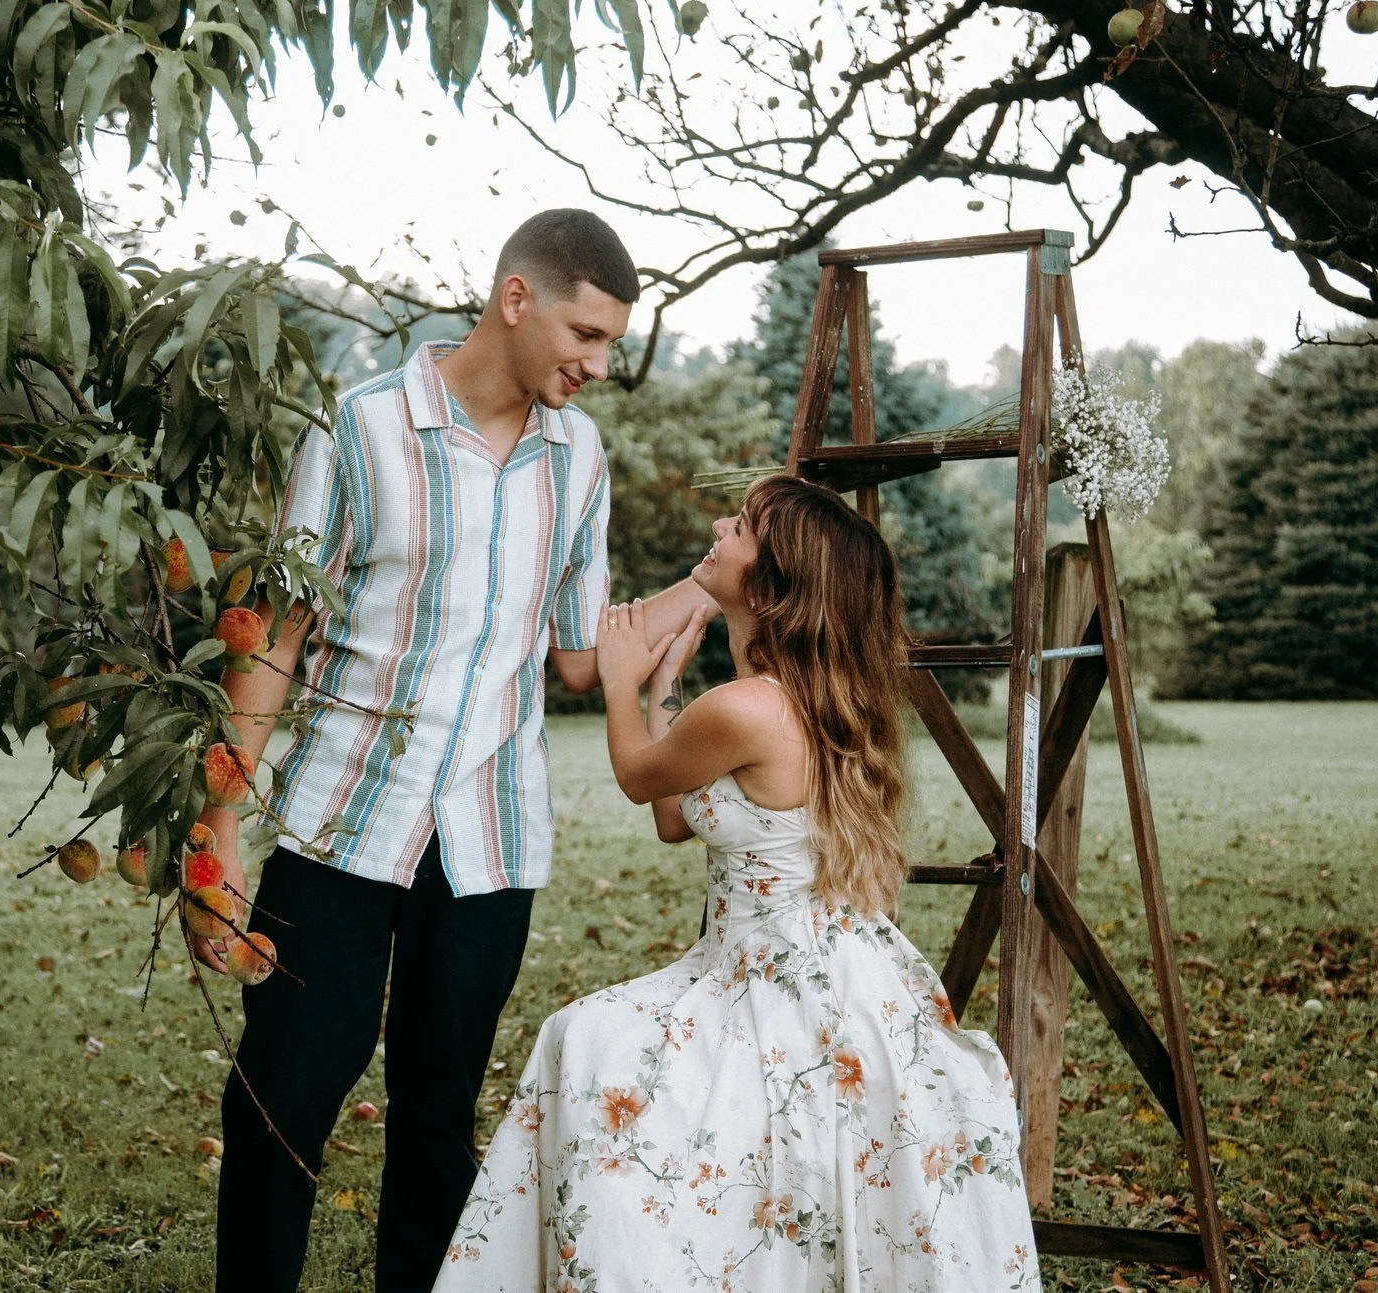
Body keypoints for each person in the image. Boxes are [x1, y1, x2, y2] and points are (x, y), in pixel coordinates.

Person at [194, 209, 718, 1293]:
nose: (597, 365)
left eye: (611, 344)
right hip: (340, 825)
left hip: (489, 841)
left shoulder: (578, 457)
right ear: (513, 300)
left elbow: (579, 658)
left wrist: (708, 587)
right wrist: (219, 825)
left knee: (436, 1124)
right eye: (586, 335)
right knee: (278, 1103)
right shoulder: (358, 427)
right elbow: (277, 631)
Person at [436, 475, 1042, 1292]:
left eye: (744, 525)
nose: (721, 525)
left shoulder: (751, 708)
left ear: (767, 582)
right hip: (769, 961)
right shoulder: (787, 700)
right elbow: (678, 818)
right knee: (593, 1046)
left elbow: (637, 779)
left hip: (782, 983)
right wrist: (664, 688)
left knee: (585, 1047)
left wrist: (620, 675)